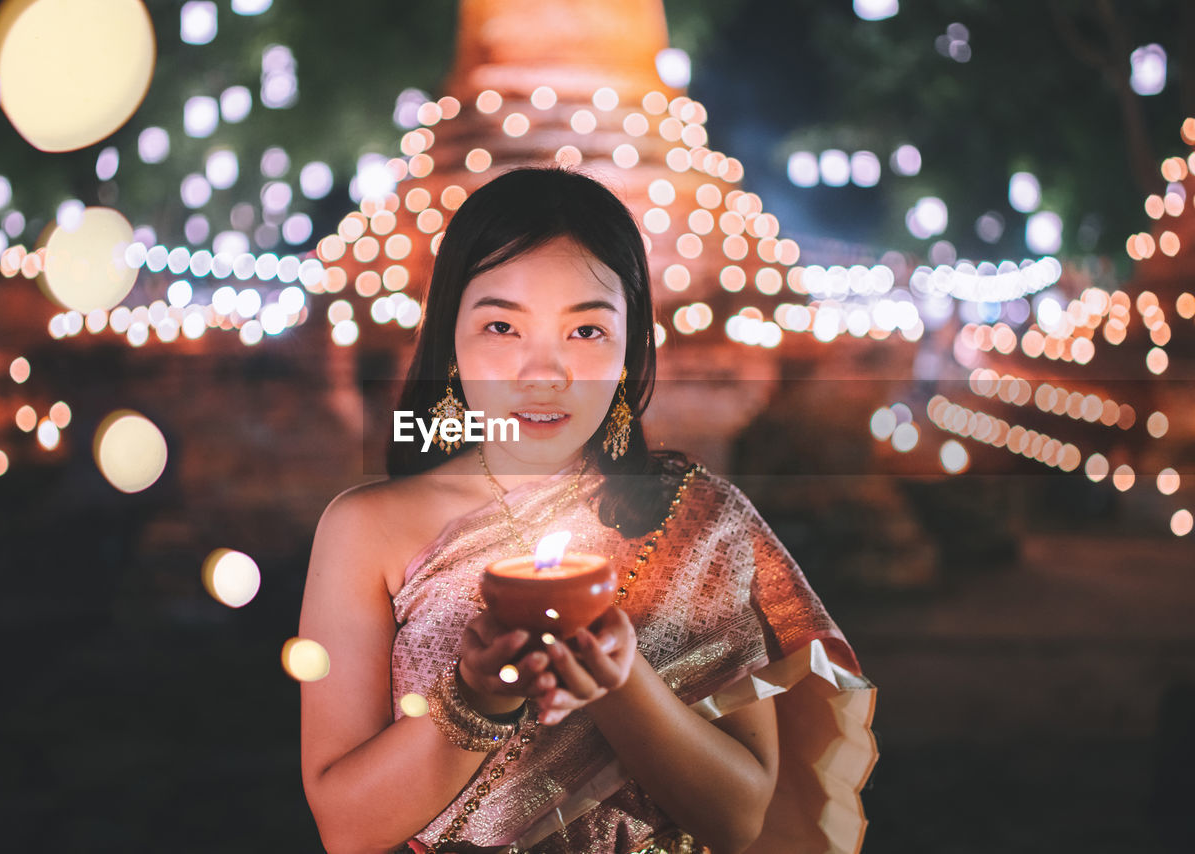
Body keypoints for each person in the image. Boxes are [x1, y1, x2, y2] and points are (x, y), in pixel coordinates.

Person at [298, 167, 877, 854]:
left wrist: (619, 680)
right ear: (449, 335)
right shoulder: (367, 530)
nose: (542, 372)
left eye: (585, 332)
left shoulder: (699, 519)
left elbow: (738, 818)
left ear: (632, 347)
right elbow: (345, 828)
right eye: (502, 326)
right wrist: (475, 702)